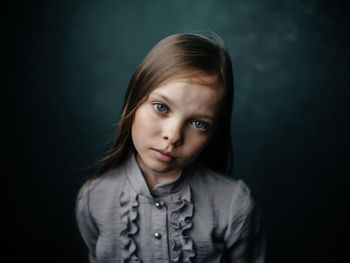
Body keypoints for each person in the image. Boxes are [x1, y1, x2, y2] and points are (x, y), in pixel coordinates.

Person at [76, 33, 265, 263]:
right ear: (134, 102)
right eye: (161, 107)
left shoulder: (234, 205)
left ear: (213, 133)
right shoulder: (94, 197)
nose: (173, 136)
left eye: (199, 124)